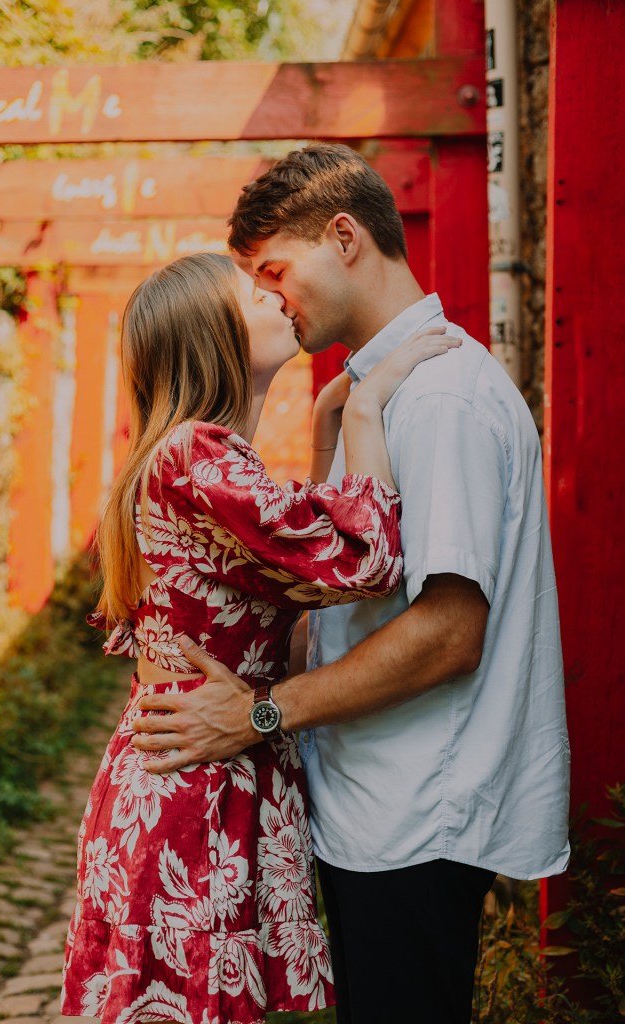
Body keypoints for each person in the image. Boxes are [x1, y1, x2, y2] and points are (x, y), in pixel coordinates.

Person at [132, 145, 571, 1024]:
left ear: (344, 237)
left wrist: (258, 713)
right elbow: (346, 584)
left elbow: (448, 631)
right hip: (376, 804)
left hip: (414, 814)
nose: (271, 297)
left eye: (275, 271)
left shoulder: (439, 400)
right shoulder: (381, 393)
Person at [60, 250, 460, 1024]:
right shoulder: (194, 457)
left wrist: (322, 432)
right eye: (255, 292)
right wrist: (369, 409)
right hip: (193, 788)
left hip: (207, 770)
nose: (279, 296)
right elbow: (362, 560)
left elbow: (304, 592)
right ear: (213, 334)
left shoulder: (199, 458)